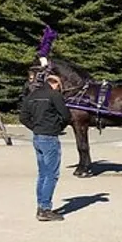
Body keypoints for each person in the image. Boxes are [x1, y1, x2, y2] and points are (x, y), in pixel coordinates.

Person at [19, 66, 72, 221]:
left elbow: (23, 117)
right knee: (52, 174)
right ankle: (45, 209)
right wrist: (58, 127)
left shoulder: (32, 95)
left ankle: (41, 205)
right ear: (55, 84)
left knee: (42, 173)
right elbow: (66, 116)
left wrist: (35, 127)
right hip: (50, 137)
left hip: (37, 136)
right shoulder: (54, 95)